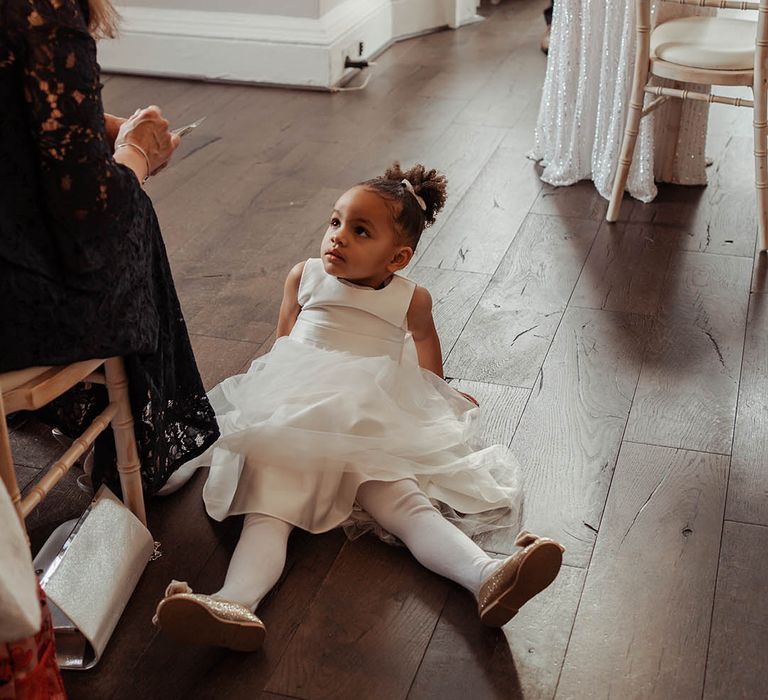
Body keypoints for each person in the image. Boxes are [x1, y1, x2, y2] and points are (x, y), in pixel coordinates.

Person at [153, 164, 564, 651]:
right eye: (334, 222)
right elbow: (283, 342)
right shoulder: (303, 276)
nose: (338, 237)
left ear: (398, 257)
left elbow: (425, 345)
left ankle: (488, 576)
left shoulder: (410, 299)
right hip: (295, 412)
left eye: (359, 230)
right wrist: (267, 398)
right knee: (271, 507)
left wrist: (437, 395)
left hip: (367, 417)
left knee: (404, 504)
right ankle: (236, 601)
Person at [0, 0, 219, 494]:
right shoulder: (40, 9)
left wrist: (82, 124)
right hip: (12, 321)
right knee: (129, 216)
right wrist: (138, 157)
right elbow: (92, 211)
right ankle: (139, 447)